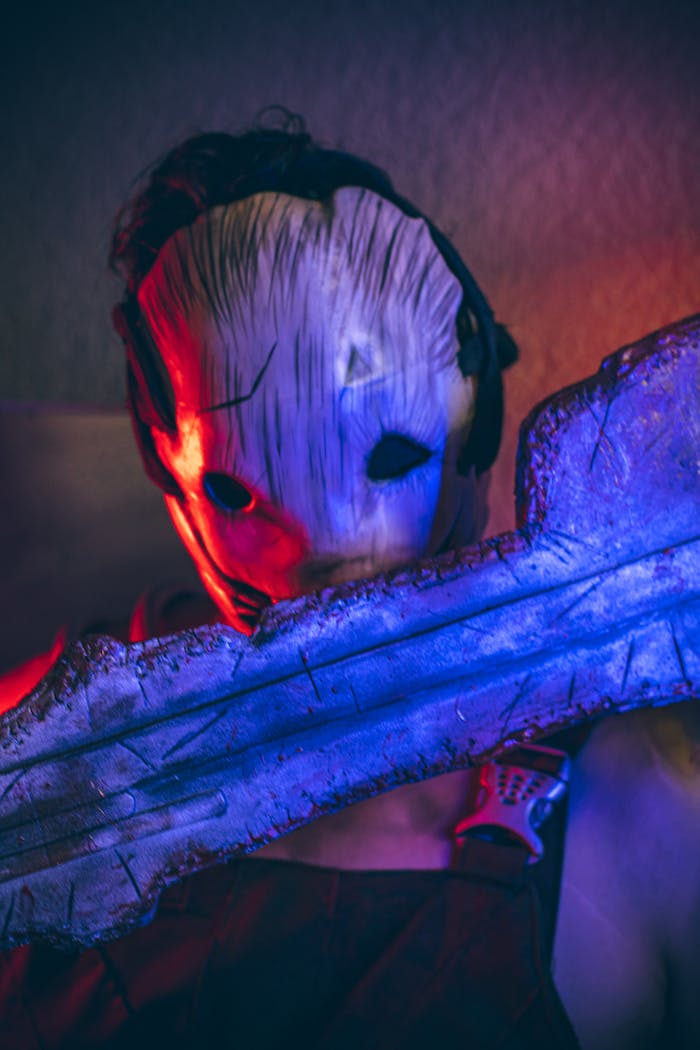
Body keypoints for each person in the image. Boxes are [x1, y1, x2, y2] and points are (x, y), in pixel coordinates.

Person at [2, 113, 700, 1049]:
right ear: (163, 451)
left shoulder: (642, 802)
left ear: (473, 424)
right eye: (245, 487)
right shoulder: (33, 753)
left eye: (391, 452)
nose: (332, 567)